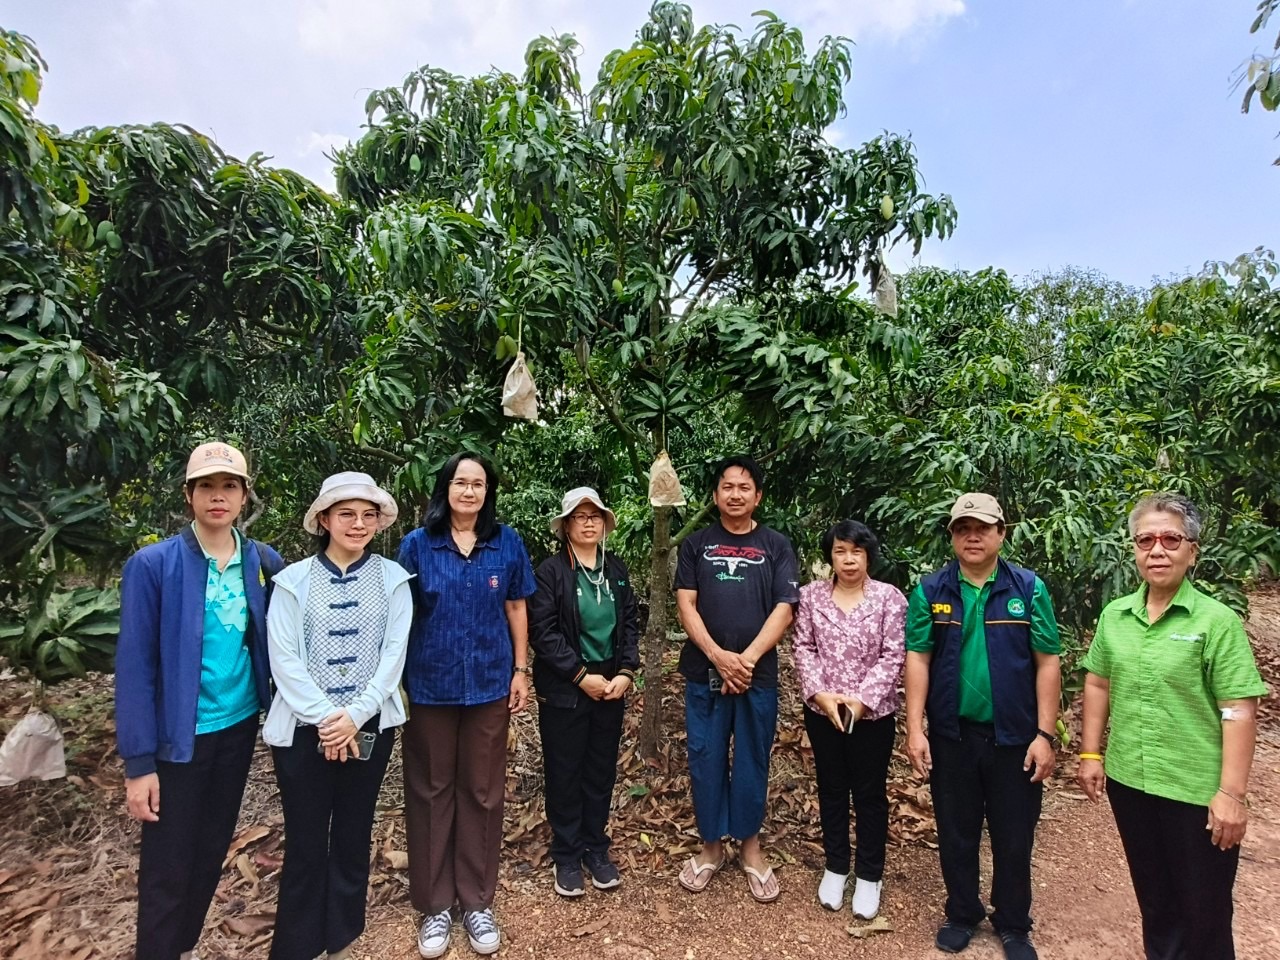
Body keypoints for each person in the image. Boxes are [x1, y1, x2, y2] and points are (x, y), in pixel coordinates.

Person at [1078, 492, 1266, 960]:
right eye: (1145, 540)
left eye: (1170, 539)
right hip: (1131, 782)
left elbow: (1239, 710)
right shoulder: (1116, 615)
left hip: (1195, 790)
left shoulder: (1216, 621)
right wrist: (1090, 753)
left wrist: (1231, 794)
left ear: (1192, 551)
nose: (1156, 550)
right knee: (1156, 905)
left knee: (1204, 913)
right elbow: (1098, 683)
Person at [115, 442, 283, 960]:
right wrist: (139, 763)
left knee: (210, 851)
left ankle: (179, 947)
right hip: (177, 741)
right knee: (168, 864)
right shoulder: (154, 565)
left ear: (243, 496)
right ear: (189, 495)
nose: (218, 496)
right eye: (206, 486)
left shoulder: (263, 562)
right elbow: (135, 665)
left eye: (229, 486)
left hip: (235, 731)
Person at [904, 493, 1061, 960]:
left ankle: (1013, 922)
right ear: (952, 535)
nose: (972, 536)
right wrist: (916, 728)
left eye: (982, 527)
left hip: (1015, 736)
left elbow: (1048, 661)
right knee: (956, 829)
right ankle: (962, 912)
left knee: (1015, 833)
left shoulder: (1028, 588)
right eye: (962, 528)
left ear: (1001, 533)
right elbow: (918, 657)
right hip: (953, 734)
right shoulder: (931, 591)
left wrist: (1045, 734)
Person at [263, 472, 412, 960]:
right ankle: (297, 946)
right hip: (304, 732)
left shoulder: (393, 580)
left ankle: (342, 939)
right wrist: (329, 718)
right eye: (346, 514)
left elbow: (393, 657)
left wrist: (356, 716)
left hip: (369, 728)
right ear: (323, 519)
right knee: (306, 840)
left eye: (368, 515)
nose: (359, 524)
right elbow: (283, 658)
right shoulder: (291, 582)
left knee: (352, 833)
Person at [396, 453, 536, 958]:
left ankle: (476, 900)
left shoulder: (507, 542)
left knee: (481, 790)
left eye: (478, 484)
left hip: (489, 685)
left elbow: (517, 605)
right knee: (432, 789)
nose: (469, 492)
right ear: (445, 489)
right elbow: (400, 617)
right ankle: (435, 906)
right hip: (430, 686)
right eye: (460, 482)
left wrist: (521, 671)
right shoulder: (416, 545)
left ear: (488, 492)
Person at [674, 455, 799, 903]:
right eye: (727, 487)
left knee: (751, 759)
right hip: (703, 674)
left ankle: (749, 846)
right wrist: (717, 657)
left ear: (758, 496)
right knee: (705, 758)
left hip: (756, 675)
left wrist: (743, 661)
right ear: (715, 495)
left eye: (744, 487)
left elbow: (785, 608)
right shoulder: (697, 545)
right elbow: (686, 604)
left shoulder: (777, 545)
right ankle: (711, 848)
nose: (735, 494)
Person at [792, 520, 906, 921]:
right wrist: (822, 696)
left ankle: (870, 875)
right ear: (831, 556)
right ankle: (836, 867)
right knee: (832, 787)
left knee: (870, 793)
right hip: (823, 712)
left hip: (872, 715)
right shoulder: (810, 597)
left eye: (856, 551)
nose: (848, 559)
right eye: (840, 551)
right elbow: (803, 647)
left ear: (868, 555)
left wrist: (860, 702)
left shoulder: (890, 599)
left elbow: (894, 655)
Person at [529, 487, 640, 898]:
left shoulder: (616, 569)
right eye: (580, 516)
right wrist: (579, 675)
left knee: (600, 769)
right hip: (567, 690)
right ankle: (566, 853)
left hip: (610, 686)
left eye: (595, 515)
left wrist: (627, 672)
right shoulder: (551, 573)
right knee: (565, 770)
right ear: (566, 526)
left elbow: (629, 623)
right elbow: (543, 632)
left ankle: (596, 847)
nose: (589, 522)